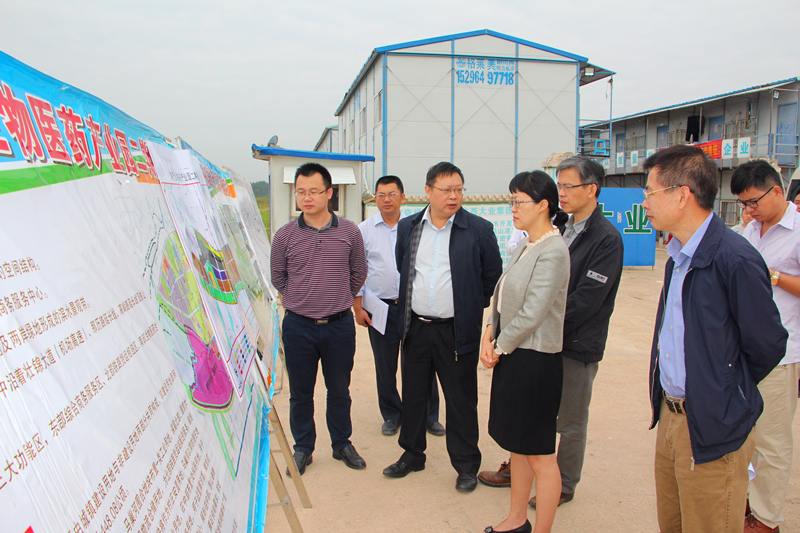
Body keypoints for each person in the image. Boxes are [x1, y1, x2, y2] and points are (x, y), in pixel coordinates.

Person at [641, 145, 787, 533]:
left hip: (712, 423)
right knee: (673, 523)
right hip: (672, 418)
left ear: (682, 195)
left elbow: (768, 344)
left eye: (650, 192)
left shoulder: (734, 258)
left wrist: (722, 392)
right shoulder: (678, 256)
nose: (644, 203)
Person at [478, 156, 624, 511]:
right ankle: (520, 470)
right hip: (537, 341)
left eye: (569, 186)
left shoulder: (605, 238)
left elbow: (585, 300)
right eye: (559, 185)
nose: (563, 192)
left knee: (568, 420)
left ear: (592, 189)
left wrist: (541, 325)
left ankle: (563, 484)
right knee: (532, 420)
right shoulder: (559, 228)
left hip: (574, 344)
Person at [382, 161, 502, 492]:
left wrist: (467, 305)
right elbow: (403, 265)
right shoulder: (409, 227)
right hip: (416, 328)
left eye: (459, 189)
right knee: (414, 395)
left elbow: (491, 277)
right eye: (446, 189)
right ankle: (412, 454)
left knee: (461, 400)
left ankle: (466, 465)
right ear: (428, 191)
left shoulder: (478, 229)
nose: (453, 196)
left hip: (456, 331)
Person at [481, 171, 570, 533]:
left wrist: (499, 347)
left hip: (536, 361)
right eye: (512, 201)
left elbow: (533, 312)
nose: (513, 208)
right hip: (514, 354)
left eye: (519, 201)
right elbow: (502, 295)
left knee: (540, 455)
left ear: (544, 205)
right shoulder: (526, 244)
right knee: (518, 445)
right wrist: (490, 330)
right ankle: (517, 519)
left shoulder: (554, 251)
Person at [270, 162, 368, 476]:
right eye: (301, 192)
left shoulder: (350, 231)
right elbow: (278, 277)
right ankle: (303, 448)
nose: (307, 198)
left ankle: (342, 444)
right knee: (301, 393)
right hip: (298, 327)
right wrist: (302, 300)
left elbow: (358, 272)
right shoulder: (284, 235)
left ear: (329, 193)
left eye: (313, 191)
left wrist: (337, 298)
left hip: (339, 326)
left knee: (339, 390)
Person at [731, 160, 800, 533]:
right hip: (742, 352)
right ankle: (744, 503)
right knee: (743, 436)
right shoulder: (748, 230)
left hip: (781, 354)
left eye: (753, 201)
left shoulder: (798, 231)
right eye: (743, 203)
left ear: (777, 191)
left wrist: (771, 274)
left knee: (771, 442)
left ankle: (765, 518)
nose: (749, 209)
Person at [353, 175, 444, 437]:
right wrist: (358, 307)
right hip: (380, 308)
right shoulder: (364, 230)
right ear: (375, 199)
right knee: (385, 365)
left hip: (414, 307)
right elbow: (357, 269)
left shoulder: (417, 226)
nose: (386, 199)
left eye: (392, 194)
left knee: (423, 363)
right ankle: (392, 414)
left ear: (403, 197)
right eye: (381, 195)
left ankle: (429, 415)